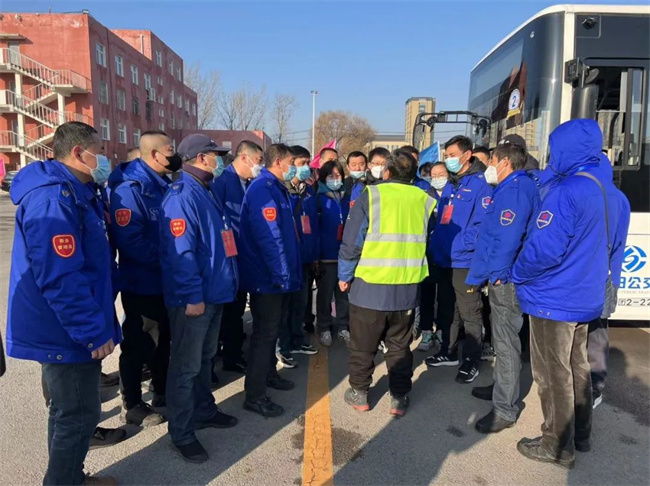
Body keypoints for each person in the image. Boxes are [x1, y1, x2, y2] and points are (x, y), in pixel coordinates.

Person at [510, 119, 629, 468]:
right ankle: (581, 435)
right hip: (586, 296)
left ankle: (556, 444)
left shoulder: (567, 191)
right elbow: (615, 250)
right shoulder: (614, 195)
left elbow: (544, 249)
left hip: (554, 297)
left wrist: (517, 272)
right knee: (578, 366)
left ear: (566, 150)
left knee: (551, 373)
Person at [7, 121, 121, 485]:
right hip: (63, 329)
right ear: (78, 153)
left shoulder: (78, 191)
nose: (104, 159)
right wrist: (91, 331)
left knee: (67, 412)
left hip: (69, 323)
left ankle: (70, 476)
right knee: (79, 415)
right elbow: (60, 276)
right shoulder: (54, 199)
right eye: (99, 151)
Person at [160, 133, 239, 464]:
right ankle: (181, 432)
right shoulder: (181, 196)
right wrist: (193, 296)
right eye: (215, 155)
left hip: (214, 292)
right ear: (201, 158)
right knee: (186, 366)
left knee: (205, 358)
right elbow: (181, 254)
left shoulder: (205, 189)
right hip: (195, 299)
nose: (219, 160)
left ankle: (204, 410)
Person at [339, 149, 436, 417]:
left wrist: (344, 276)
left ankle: (360, 393)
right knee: (399, 346)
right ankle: (399, 397)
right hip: (407, 287)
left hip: (370, 286)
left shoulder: (371, 195)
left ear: (388, 172)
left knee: (363, 345)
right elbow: (428, 237)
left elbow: (352, 242)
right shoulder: (425, 199)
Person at [465, 143, 540, 433]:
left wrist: (496, 273)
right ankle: (501, 388)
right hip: (503, 274)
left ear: (505, 162)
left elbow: (508, 237)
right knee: (502, 338)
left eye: (492, 161)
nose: (489, 167)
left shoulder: (515, 190)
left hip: (506, 279)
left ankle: (505, 409)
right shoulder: (510, 187)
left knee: (507, 343)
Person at [109, 131, 180, 427]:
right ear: (154, 154)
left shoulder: (164, 185)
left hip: (165, 282)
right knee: (138, 343)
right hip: (141, 283)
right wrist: (170, 260)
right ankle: (132, 402)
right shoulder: (130, 190)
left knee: (163, 340)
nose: (174, 155)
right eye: (170, 149)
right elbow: (131, 242)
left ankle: (161, 390)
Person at [238, 143, 302, 417]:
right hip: (267, 278)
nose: (295, 168)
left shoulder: (276, 188)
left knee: (272, 331)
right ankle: (254, 395)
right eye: (292, 162)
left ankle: (268, 374)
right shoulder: (263, 189)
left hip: (277, 276)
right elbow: (270, 238)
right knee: (264, 336)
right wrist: (282, 274)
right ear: (278, 162)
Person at [425, 135, 492, 384]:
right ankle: (449, 351)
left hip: (464, 260)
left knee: (470, 312)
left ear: (467, 155)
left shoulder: (481, 184)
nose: (448, 159)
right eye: (446, 155)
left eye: (452, 155)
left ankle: (471, 360)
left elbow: (481, 225)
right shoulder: (452, 184)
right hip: (445, 259)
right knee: (448, 309)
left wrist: (460, 245)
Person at [211, 140, 264, 376]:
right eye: (259, 161)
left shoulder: (251, 183)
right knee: (223, 313)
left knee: (236, 311)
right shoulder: (222, 181)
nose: (260, 166)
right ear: (244, 158)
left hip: (244, 258)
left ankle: (232, 356)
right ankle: (215, 360)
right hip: (225, 260)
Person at [587, 154, 630, 409]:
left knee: (581, 330)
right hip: (605, 275)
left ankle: (584, 383)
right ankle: (595, 385)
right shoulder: (619, 198)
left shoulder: (583, 194)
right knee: (598, 329)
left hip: (581, 276)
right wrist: (616, 279)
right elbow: (620, 245)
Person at [276, 145, 320, 368]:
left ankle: (297, 339)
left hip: (305, 258)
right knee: (284, 307)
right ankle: (283, 347)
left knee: (300, 304)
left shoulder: (308, 191)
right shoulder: (281, 190)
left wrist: (314, 256)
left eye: (307, 163)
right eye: (301, 163)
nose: (305, 168)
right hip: (289, 258)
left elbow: (313, 225)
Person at [316, 160, 351, 347]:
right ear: (323, 178)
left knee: (343, 294)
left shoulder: (347, 198)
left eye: (338, 175)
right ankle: (324, 327)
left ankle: (343, 326)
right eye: (331, 176)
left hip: (344, 255)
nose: (335, 179)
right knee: (325, 294)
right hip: (326, 255)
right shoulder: (318, 199)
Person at [417, 161, 451, 352]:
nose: (437, 178)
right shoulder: (424, 196)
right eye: (434, 175)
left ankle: (442, 330)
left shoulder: (454, 194)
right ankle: (426, 331)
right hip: (427, 253)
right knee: (427, 295)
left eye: (441, 174)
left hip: (447, 254)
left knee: (445, 296)